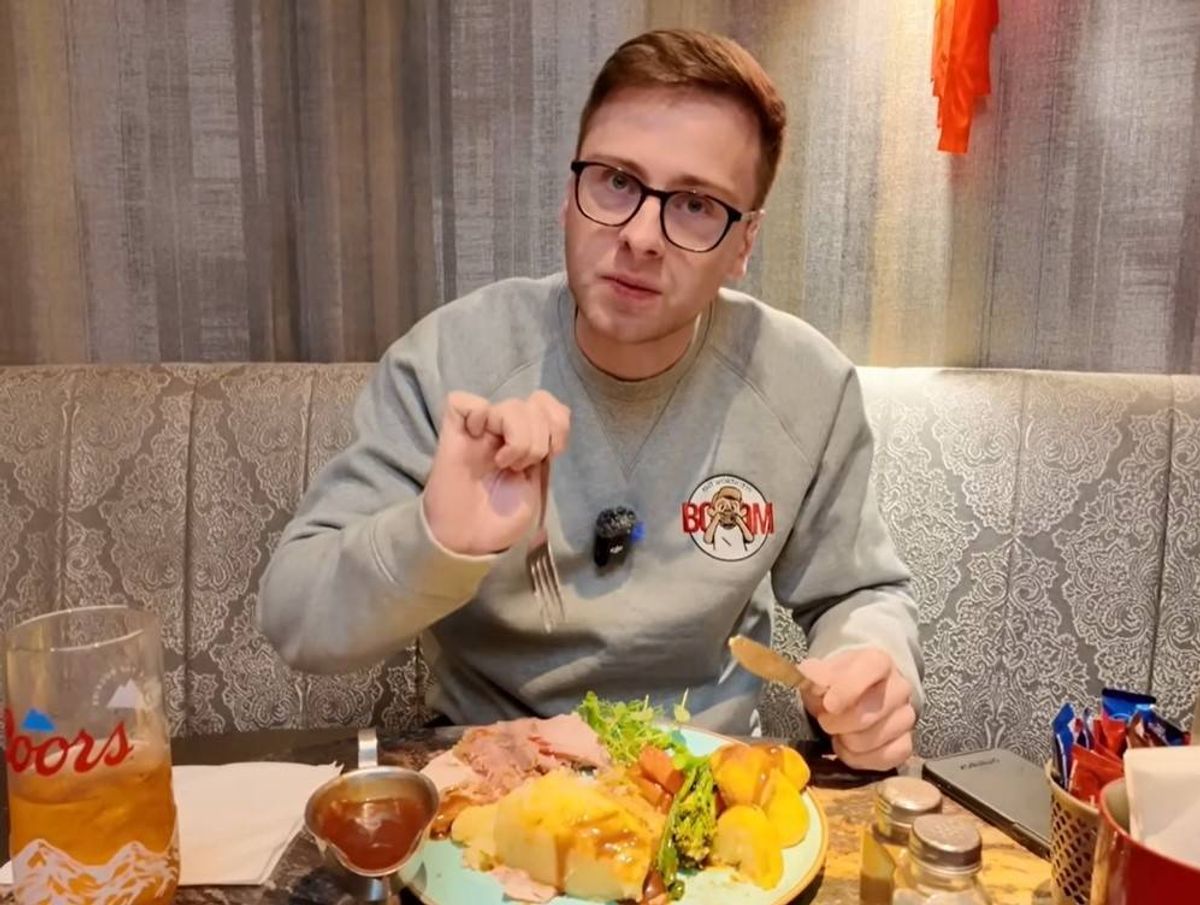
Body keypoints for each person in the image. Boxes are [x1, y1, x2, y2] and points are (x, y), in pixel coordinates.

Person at [258, 28, 922, 771]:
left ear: (744, 244)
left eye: (697, 204)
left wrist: (870, 669)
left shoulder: (807, 386)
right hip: (487, 779)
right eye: (615, 181)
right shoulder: (451, 362)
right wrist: (437, 536)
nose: (641, 234)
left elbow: (859, 592)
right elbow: (295, 617)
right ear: (568, 197)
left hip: (705, 783)